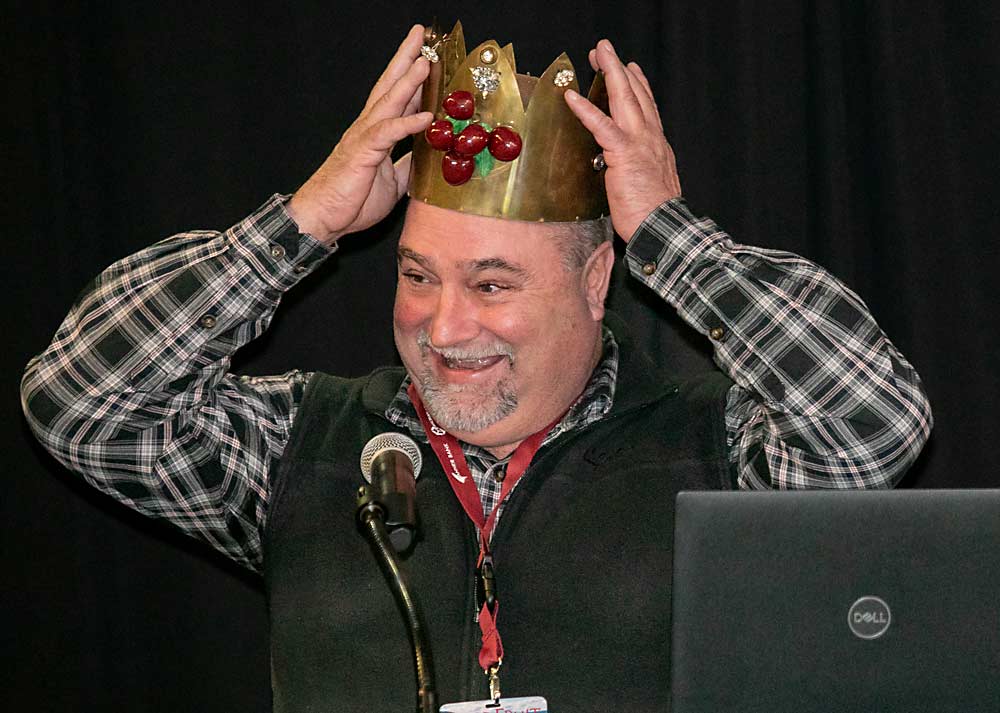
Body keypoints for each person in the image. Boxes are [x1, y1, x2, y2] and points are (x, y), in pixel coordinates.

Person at [21, 23, 931, 713]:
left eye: (492, 283)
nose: (443, 322)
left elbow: (872, 422)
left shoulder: (711, 453)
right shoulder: (307, 444)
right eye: (417, 274)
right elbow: (84, 400)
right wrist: (304, 224)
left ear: (596, 279)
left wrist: (669, 235)